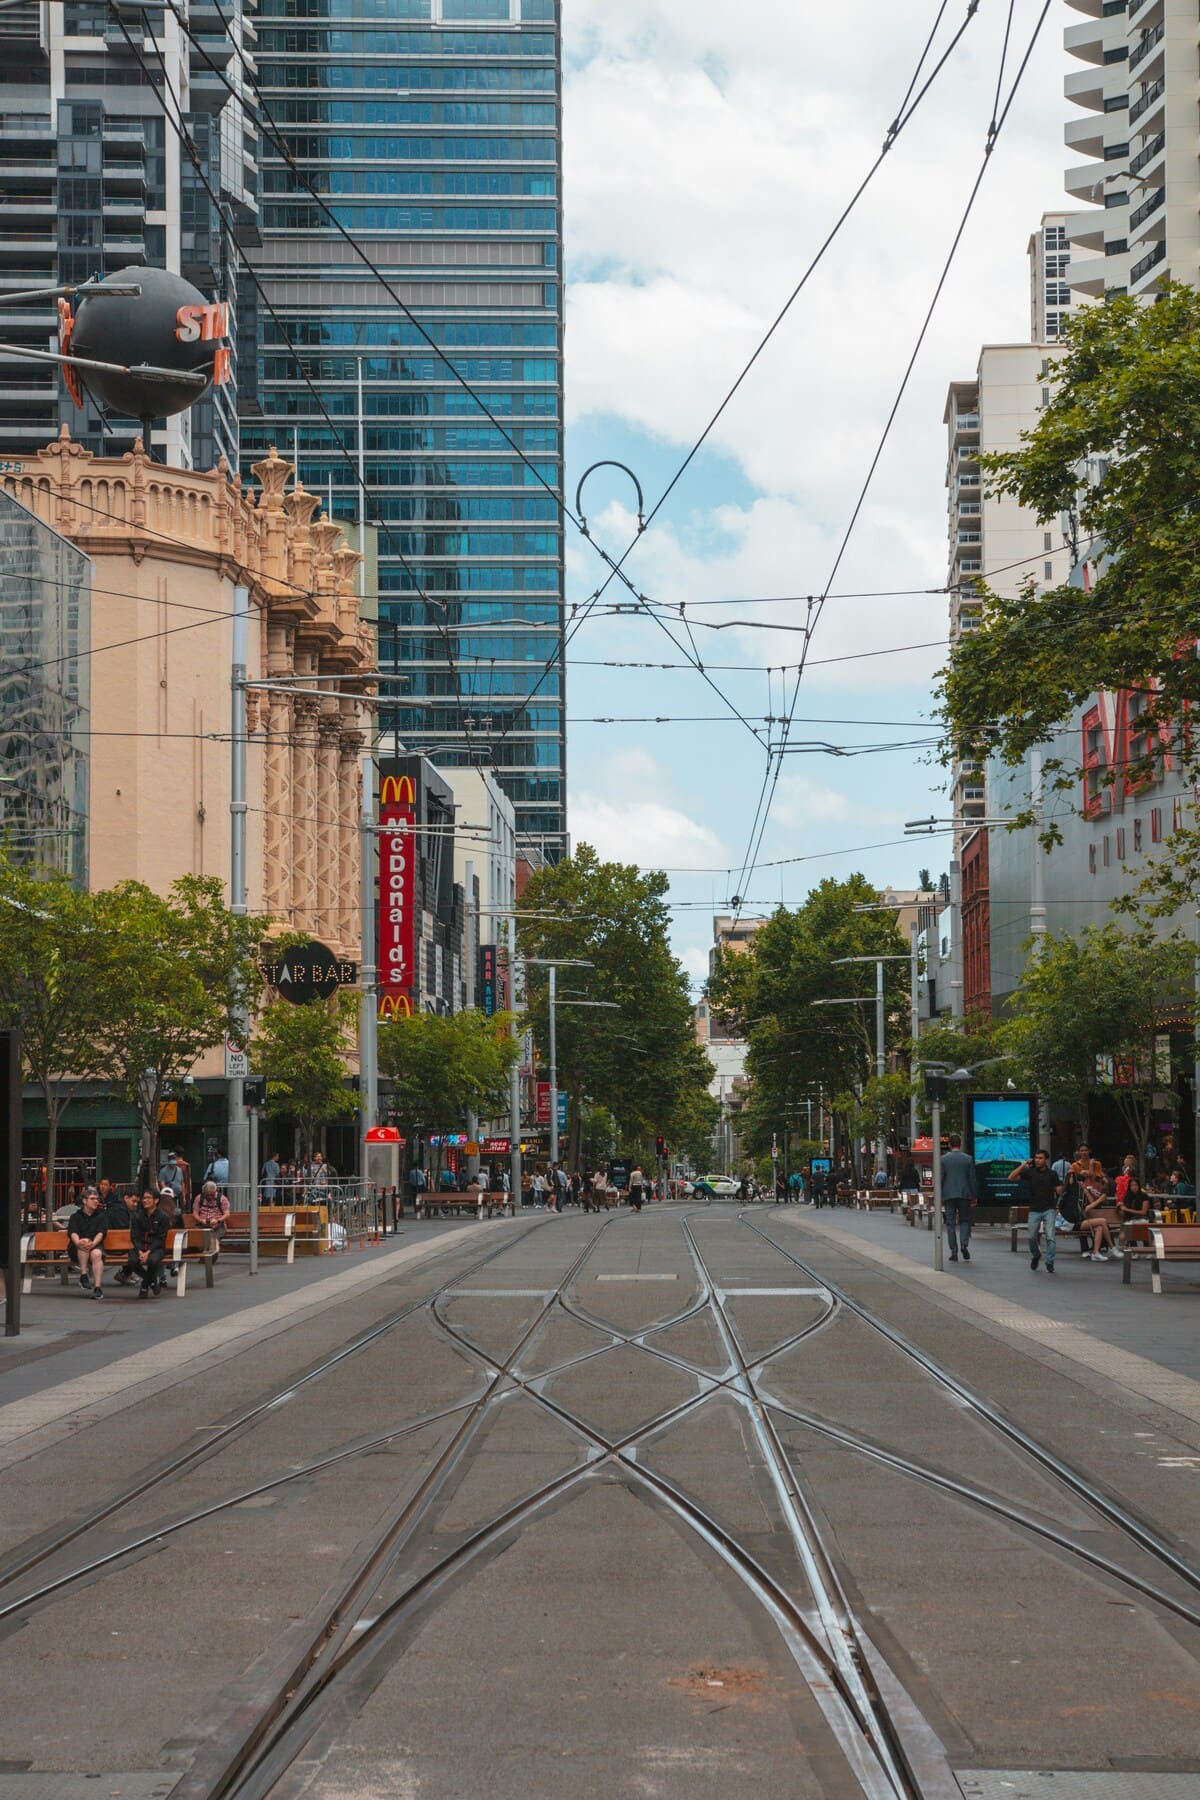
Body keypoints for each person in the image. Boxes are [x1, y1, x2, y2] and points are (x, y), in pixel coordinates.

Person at [1011, 1149, 1062, 1274]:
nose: (1038, 1160)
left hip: (1049, 1208)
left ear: (1046, 1160)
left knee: (1050, 1236)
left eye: (1040, 1158)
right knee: (1031, 1236)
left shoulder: (1052, 1174)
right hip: (1034, 1209)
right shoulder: (1030, 1172)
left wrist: (1063, 1187)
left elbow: (1059, 1191)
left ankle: (1049, 1262)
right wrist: (1024, 1165)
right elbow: (1011, 1177)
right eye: (1036, 1158)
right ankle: (1036, 1254)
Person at [115, 1189, 170, 1296]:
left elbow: (160, 1238)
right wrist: (140, 1252)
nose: (145, 1200)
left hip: (155, 1248)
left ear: (156, 1200)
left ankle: (145, 1286)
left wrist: (148, 1252)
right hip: (139, 1247)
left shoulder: (163, 1217)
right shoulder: (137, 1216)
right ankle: (152, 1283)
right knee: (132, 1261)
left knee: (152, 1261)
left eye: (148, 1198)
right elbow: (135, 1237)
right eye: (144, 1198)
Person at [940, 1133, 978, 1264]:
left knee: (950, 1223)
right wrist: (974, 1195)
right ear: (960, 1144)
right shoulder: (968, 1159)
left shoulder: (943, 1159)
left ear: (950, 1145)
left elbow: (941, 1178)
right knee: (964, 1221)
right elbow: (972, 1179)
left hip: (949, 1195)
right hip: (964, 1194)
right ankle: (964, 1244)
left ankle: (954, 1251)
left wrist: (940, 1196)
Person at [67, 1186, 108, 1300]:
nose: (96, 1201)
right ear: (85, 1201)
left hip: (95, 1246)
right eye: (93, 1199)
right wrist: (78, 1242)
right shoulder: (75, 1216)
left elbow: (101, 1233)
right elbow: (73, 1233)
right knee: (83, 1241)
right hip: (76, 1249)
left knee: (96, 1254)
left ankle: (98, 1288)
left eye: (97, 1199)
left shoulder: (101, 1216)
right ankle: (83, 1274)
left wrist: (93, 1243)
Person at [1079, 1173, 1117, 1261]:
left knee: (1101, 1226)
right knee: (1103, 1221)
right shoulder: (1076, 1193)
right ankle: (1112, 1247)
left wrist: (1085, 1190)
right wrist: (1099, 1200)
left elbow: (1091, 1201)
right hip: (1080, 1220)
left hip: (1088, 1218)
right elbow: (1086, 1209)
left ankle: (1096, 1252)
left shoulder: (1089, 1189)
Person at [193, 1178, 231, 1256]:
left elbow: (227, 1214)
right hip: (202, 1224)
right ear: (204, 1192)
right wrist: (200, 1220)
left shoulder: (222, 1199)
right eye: (208, 1195)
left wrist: (218, 1220)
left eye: (212, 1194)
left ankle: (214, 1254)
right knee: (201, 1238)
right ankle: (206, 1255)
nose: (210, 1197)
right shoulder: (199, 1198)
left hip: (218, 1225)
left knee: (214, 1238)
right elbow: (195, 1213)